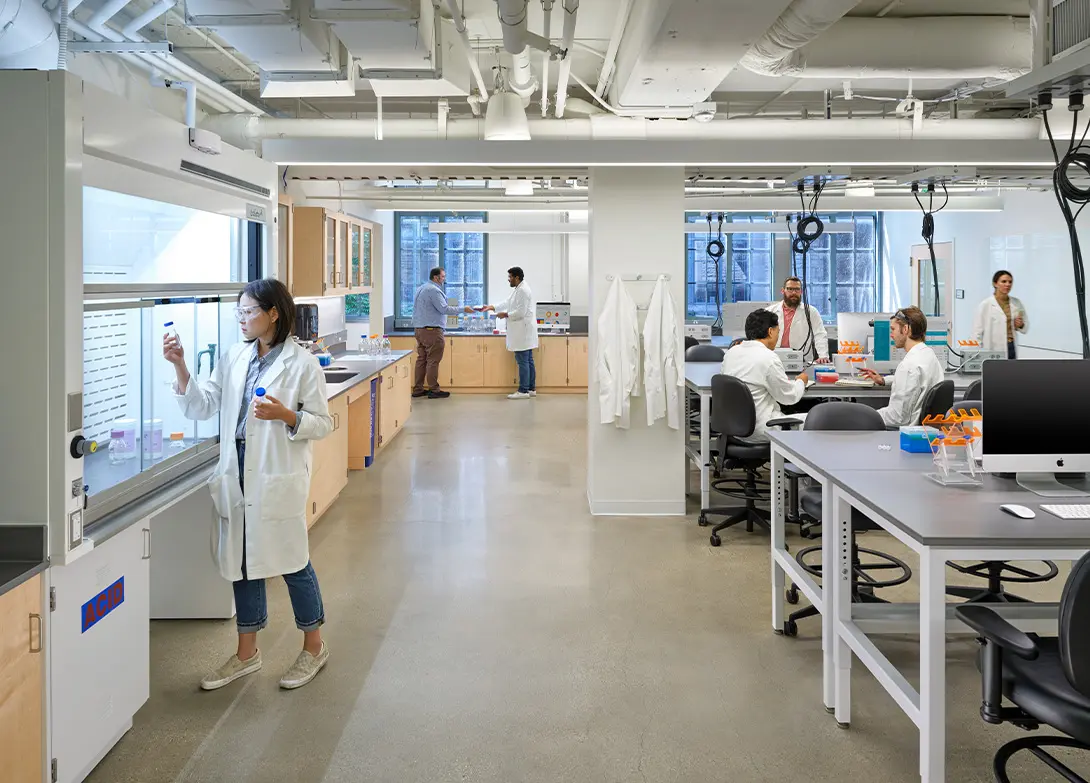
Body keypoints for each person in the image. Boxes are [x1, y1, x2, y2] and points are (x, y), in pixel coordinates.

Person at [164, 279, 333, 691]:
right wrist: (181, 366)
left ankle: (314, 646)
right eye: (238, 312)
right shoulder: (235, 356)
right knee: (244, 559)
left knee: (293, 560)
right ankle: (246, 654)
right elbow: (205, 405)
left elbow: (323, 423)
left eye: (249, 312)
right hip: (236, 465)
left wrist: (286, 416)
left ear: (273, 313)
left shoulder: (302, 363)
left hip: (275, 469)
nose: (241, 319)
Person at [721, 309, 811, 441]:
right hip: (763, 428)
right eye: (778, 332)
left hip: (733, 429)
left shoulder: (730, 353)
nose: (778, 337)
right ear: (770, 331)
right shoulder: (768, 358)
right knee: (818, 419)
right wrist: (801, 381)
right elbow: (789, 398)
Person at [859, 306, 945, 428]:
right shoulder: (928, 354)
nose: (891, 335)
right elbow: (917, 382)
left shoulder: (909, 366)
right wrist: (884, 380)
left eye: (893, 329)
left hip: (905, 433)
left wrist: (868, 416)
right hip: (926, 431)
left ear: (905, 329)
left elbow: (898, 417)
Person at [412, 267, 475, 399]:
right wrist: (464, 309)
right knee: (433, 361)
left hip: (419, 330)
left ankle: (417, 389)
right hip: (432, 331)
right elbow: (444, 308)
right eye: (443, 277)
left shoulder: (421, 288)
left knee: (421, 359)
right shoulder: (434, 290)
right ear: (436, 277)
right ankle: (434, 390)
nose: (444, 279)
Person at [480, 266, 538, 400]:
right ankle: (530, 388)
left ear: (517, 277)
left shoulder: (523, 290)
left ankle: (523, 390)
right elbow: (508, 302)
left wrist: (505, 314)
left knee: (523, 361)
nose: (509, 280)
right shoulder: (519, 289)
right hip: (523, 331)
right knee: (528, 360)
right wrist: (492, 307)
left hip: (522, 331)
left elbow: (520, 312)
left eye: (510, 277)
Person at [766, 276, 830, 363]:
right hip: (774, 358)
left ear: (801, 292)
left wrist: (823, 356)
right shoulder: (770, 311)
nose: (793, 292)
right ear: (782, 291)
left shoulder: (811, 311)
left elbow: (820, 334)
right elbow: (762, 337)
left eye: (797, 289)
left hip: (802, 360)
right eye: (790, 289)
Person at [972, 269, 1028, 359]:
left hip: (1011, 346)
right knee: (995, 372)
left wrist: (1021, 325)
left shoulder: (1016, 303)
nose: (1007, 284)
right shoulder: (985, 305)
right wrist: (976, 354)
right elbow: (977, 332)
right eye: (1004, 281)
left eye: (1010, 282)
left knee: (1012, 371)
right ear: (995, 284)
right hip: (992, 347)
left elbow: (1025, 326)